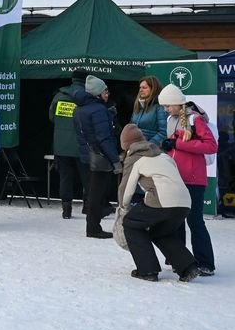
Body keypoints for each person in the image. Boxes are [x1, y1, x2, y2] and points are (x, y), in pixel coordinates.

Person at [116, 123, 200, 282]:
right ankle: (188, 267)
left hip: (162, 200)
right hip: (184, 202)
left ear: (126, 145)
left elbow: (126, 188)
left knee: (131, 224)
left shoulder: (134, 158)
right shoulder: (162, 155)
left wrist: (123, 208)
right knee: (162, 232)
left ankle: (147, 270)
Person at [158, 83, 218, 275]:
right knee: (175, 221)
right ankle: (179, 258)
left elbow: (211, 146)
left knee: (195, 221)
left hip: (193, 179)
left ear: (177, 102)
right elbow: (176, 147)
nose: (166, 109)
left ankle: (206, 263)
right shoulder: (171, 119)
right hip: (176, 177)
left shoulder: (195, 119)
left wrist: (177, 144)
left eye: (168, 105)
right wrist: (168, 147)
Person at [72, 75, 119, 239]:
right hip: (100, 157)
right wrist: (115, 160)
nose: (108, 94)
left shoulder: (79, 109)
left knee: (92, 192)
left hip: (86, 156)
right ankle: (93, 228)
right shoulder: (98, 110)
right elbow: (104, 138)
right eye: (105, 91)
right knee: (97, 194)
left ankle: (92, 226)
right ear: (97, 93)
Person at [48, 69, 88, 219]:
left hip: (61, 145)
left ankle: (66, 210)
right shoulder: (88, 97)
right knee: (87, 177)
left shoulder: (59, 96)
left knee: (65, 177)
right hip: (82, 145)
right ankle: (87, 207)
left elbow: (52, 117)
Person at [131, 75, 167, 144]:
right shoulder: (138, 105)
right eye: (140, 87)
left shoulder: (160, 106)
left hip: (152, 148)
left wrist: (148, 146)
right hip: (137, 147)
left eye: (144, 88)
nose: (141, 90)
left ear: (153, 89)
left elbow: (164, 132)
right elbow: (131, 126)